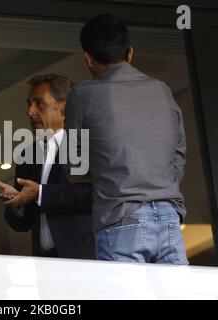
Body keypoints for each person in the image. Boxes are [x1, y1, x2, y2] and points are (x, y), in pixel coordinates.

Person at [64, 14, 188, 264]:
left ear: (87, 57)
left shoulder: (82, 95)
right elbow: (179, 156)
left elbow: (73, 165)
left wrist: (112, 173)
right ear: (130, 53)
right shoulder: (162, 90)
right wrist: (156, 182)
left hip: (121, 217)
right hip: (169, 216)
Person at [0, 74, 94, 259]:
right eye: (29, 103)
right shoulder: (27, 155)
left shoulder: (85, 144)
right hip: (44, 261)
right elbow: (21, 225)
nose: (30, 112)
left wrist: (40, 194)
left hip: (85, 257)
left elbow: (92, 194)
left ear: (65, 109)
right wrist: (17, 203)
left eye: (39, 103)